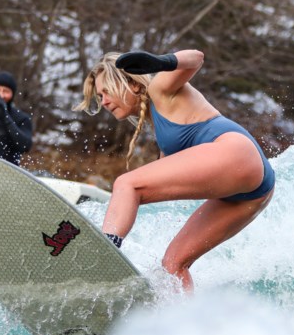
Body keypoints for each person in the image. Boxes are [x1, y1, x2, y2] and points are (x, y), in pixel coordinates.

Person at [74, 50, 275, 292]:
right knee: (173, 264)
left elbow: (197, 57)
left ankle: (101, 256)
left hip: (236, 151)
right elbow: (140, 196)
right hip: (253, 193)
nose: (104, 101)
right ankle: (180, 323)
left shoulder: (160, 88)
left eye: (106, 92)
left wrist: (161, 63)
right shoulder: (161, 132)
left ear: (132, 85)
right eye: (99, 96)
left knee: (126, 183)